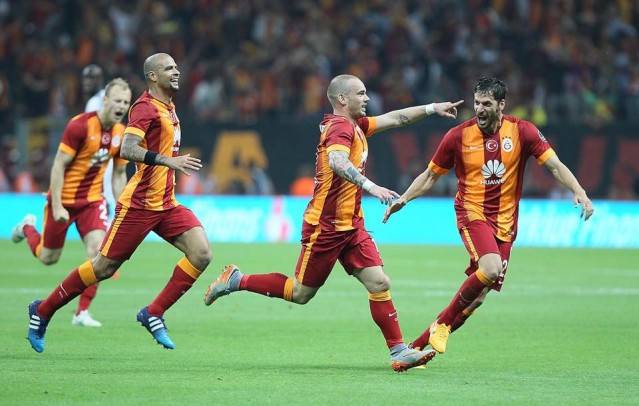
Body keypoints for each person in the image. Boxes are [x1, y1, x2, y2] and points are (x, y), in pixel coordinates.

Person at [203, 73, 463, 372]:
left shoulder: (357, 125)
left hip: (351, 225)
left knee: (379, 282)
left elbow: (396, 118)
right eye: (361, 93)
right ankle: (237, 279)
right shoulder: (339, 127)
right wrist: (371, 186)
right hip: (325, 226)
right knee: (301, 293)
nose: (367, 98)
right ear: (342, 99)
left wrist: (432, 108)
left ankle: (399, 351)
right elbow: (337, 162)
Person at [383, 77, 594, 355]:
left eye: (486, 104)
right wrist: (404, 199)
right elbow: (430, 175)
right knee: (491, 268)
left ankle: (415, 351)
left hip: (506, 222)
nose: (479, 109)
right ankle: (442, 324)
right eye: (476, 103)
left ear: (501, 104)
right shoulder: (458, 136)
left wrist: (579, 191)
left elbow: (554, 165)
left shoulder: (523, 132)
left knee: (478, 298)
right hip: (472, 212)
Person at [25, 53, 210, 353]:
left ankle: (153, 312)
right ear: (153, 76)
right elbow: (127, 148)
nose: (177, 71)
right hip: (140, 205)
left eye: (176, 67)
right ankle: (43, 311)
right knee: (103, 267)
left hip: (166, 203)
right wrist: (167, 161)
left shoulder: (169, 106)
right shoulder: (144, 107)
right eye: (169, 68)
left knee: (201, 253)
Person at [12, 78, 132, 327]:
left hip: (92, 201)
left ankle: (81, 312)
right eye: (117, 101)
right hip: (64, 200)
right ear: (105, 101)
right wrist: (57, 205)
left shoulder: (121, 134)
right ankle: (27, 227)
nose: (121, 106)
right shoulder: (80, 125)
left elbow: (119, 173)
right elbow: (58, 165)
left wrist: (122, 208)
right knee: (48, 257)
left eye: (126, 102)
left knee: (99, 252)